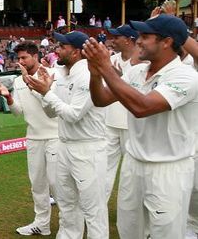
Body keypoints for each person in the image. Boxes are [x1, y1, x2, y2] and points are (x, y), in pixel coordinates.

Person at [83, 14, 198, 239]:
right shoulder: (136, 71)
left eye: (146, 36)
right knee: (129, 231)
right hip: (133, 164)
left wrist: (105, 68)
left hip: (168, 169)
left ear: (166, 42)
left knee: (166, 234)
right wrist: (95, 75)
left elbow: (142, 107)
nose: (138, 40)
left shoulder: (187, 77)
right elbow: (101, 100)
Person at [26, 31, 108, 239]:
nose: (57, 49)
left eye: (63, 46)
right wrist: (42, 92)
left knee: (93, 208)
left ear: (76, 52)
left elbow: (73, 115)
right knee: (67, 203)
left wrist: (46, 93)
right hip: (64, 145)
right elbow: (52, 112)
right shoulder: (60, 74)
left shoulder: (89, 74)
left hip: (88, 147)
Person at [0, 42, 61, 236]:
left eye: (24, 58)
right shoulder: (18, 81)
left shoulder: (51, 75)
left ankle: (68, 224)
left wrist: (33, 85)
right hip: (33, 138)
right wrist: (9, 98)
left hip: (55, 136)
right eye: (18, 58)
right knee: (37, 184)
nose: (20, 61)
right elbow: (18, 112)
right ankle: (42, 224)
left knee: (57, 184)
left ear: (35, 56)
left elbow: (52, 109)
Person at [104, 25, 142, 201]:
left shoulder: (144, 60)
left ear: (128, 39)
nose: (113, 40)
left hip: (131, 125)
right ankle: (98, 209)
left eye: (117, 37)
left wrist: (120, 77)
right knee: (104, 170)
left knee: (132, 171)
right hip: (110, 123)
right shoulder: (111, 59)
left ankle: (135, 211)